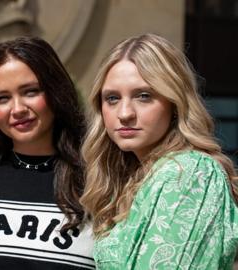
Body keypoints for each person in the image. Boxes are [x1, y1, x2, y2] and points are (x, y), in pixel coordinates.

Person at [79, 33, 238, 269]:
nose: (124, 113)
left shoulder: (189, 173)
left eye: (144, 96)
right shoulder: (131, 180)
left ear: (175, 104)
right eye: (112, 98)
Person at [0, 36, 95, 269]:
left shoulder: (98, 180)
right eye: (2, 98)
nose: (18, 109)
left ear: (56, 92)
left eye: (31, 92)